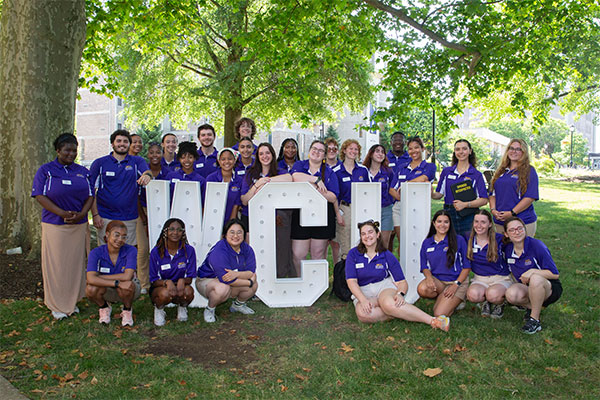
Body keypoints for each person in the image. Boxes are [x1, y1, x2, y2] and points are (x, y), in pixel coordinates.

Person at [31, 133, 93, 320]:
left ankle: (71, 302)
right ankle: (56, 304)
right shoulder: (46, 171)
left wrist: (82, 214)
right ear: (58, 150)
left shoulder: (83, 171)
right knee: (56, 265)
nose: (71, 153)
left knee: (74, 265)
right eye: (67, 150)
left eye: (74, 150)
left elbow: (91, 195)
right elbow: (39, 195)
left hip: (78, 225)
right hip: (55, 224)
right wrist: (61, 213)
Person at [346, 220, 450, 330]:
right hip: (363, 290)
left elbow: (401, 282)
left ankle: (434, 321)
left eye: (370, 232)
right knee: (363, 314)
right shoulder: (353, 254)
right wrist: (363, 300)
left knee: (389, 304)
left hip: (383, 288)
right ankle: (398, 312)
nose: (367, 236)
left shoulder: (387, 255)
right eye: (363, 234)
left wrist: (400, 294)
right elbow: (351, 281)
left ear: (377, 234)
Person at [89, 129, 153, 246]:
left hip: (129, 217)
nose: (122, 144)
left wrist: (147, 176)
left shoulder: (137, 161)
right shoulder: (100, 163)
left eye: (125, 141)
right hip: (105, 217)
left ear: (129, 144)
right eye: (118, 141)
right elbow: (91, 191)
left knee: (127, 254)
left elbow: (147, 172)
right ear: (112, 144)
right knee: (106, 254)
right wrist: (95, 215)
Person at [503, 217, 562, 334]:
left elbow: (554, 274)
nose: (517, 232)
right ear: (506, 234)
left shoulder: (537, 246)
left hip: (548, 287)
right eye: (512, 230)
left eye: (520, 228)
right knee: (511, 294)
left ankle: (535, 320)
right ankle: (532, 307)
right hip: (527, 287)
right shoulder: (508, 249)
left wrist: (533, 271)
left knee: (535, 278)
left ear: (525, 230)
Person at [291, 140, 339, 276]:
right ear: (309, 150)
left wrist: (314, 189)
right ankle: (301, 281)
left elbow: (333, 197)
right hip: (300, 214)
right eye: (314, 148)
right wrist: (316, 180)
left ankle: (315, 283)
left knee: (317, 253)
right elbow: (295, 177)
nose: (316, 152)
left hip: (322, 215)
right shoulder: (300, 165)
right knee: (298, 253)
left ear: (324, 155)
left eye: (320, 150)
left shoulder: (329, 172)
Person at [196, 219, 258, 323]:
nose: (236, 236)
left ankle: (238, 305)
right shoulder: (219, 251)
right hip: (207, 281)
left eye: (239, 232)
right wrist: (249, 282)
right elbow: (226, 280)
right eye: (232, 232)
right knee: (222, 288)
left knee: (254, 286)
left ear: (244, 234)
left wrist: (236, 274)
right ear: (225, 234)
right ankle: (209, 309)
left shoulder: (247, 249)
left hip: (231, 280)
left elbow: (251, 271)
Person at [86, 221, 141, 326]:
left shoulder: (131, 250)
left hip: (128, 287)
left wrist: (100, 277)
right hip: (109, 287)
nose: (120, 239)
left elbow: (127, 276)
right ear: (107, 234)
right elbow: (90, 279)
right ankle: (104, 307)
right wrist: (116, 283)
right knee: (90, 289)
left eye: (124, 236)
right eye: (116, 235)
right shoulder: (96, 252)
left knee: (128, 285)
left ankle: (127, 310)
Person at [417, 210, 471, 317]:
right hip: (439, 282)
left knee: (439, 313)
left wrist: (456, 285)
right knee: (422, 289)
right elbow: (424, 265)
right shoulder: (427, 242)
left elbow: (467, 266)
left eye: (446, 222)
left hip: (457, 281)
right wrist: (428, 278)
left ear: (450, 224)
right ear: (434, 223)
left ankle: (457, 299)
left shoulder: (458, 240)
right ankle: (445, 298)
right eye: (439, 221)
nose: (442, 225)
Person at [432, 139, 489, 236]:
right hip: (449, 214)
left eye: (464, 149)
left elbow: (484, 200)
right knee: (451, 244)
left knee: (468, 244)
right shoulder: (446, 172)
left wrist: (465, 204)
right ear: (454, 152)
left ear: (470, 151)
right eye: (457, 149)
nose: (461, 152)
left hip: (468, 215)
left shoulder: (476, 175)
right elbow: (439, 195)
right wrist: (431, 193)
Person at [391, 137, 436, 258]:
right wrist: (403, 198)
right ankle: (404, 271)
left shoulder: (429, 166)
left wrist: (405, 186)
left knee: (419, 240)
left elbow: (424, 178)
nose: (413, 151)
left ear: (422, 149)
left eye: (416, 147)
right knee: (403, 242)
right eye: (410, 148)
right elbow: (392, 189)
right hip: (400, 208)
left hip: (419, 208)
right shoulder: (402, 167)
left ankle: (419, 271)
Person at [465, 210, 512, 318]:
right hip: (480, 279)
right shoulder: (468, 238)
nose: (479, 225)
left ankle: (500, 302)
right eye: (476, 222)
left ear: (490, 224)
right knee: (472, 295)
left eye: (483, 222)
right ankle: (484, 302)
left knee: (493, 295)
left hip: (500, 278)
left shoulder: (500, 239)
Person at [149, 218, 196, 326]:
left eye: (179, 230)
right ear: (165, 232)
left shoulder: (189, 250)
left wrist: (181, 281)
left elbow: (190, 275)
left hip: (179, 289)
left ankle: (182, 308)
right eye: (172, 229)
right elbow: (153, 280)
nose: (175, 233)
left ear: (183, 233)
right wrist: (167, 282)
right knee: (164, 294)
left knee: (188, 292)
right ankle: (159, 309)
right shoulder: (156, 252)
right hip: (160, 288)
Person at [240, 143, 292, 240]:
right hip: (250, 215)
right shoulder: (250, 173)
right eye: (261, 154)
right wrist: (257, 184)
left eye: (267, 153)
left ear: (272, 155)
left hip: (272, 216)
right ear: (257, 156)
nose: (265, 156)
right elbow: (244, 200)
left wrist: (266, 181)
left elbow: (289, 178)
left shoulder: (279, 172)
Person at [489, 138, 539, 236]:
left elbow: (530, 197)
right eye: (511, 148)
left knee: (521, 250)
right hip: (500, 222)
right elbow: (492, 193)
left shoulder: (529, 171)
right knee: (502, 250)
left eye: (518, 149)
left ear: (524, 152)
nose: (514, 151)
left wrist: (512, 213)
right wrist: (493, 210)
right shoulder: (501, 171)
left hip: (522, 221)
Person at [137, 142, 169, 293]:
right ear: (147, 154)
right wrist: (144, 218)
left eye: (158, 152)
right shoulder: (142, 172)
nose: (155, 155)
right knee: (143, 249)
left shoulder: (168, 171)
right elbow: (136, 196)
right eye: (152, 152)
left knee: (162, 247)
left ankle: (162, 279)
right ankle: (144, 283)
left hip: (163, 211)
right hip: (144, 211)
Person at [332, 139, 368, 260]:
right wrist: (338, 214)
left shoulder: (363, 170)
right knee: (345, 240)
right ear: (344, 150)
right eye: (350, 148)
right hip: (345, 208)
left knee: (362, 238)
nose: (353, 151)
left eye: (356, 149)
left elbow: (369, 191)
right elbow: (335, 196)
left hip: (361, 208)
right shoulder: (336, 172)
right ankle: (345, 270)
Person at [362, 144, 400, 249]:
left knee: (384, 242)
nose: (380, 154)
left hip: (385, 210)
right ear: (371, 154)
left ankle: (383, 263)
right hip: (367, 210)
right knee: (368, 241)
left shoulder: (388, 172)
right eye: (377, 151)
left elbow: (393, 188)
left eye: (382, 152)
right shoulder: (363, 171)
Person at [206, 148, 243, 225]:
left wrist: (229, 226)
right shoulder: (211, 178)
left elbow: (236, 205)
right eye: (223, 159)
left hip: (231, 220)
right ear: (219, 161)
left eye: (230, 159)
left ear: (235, 160)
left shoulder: (239, 180)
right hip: (212, 221)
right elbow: (207, 203)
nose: (226, 162)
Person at [324, 137, 341, 263]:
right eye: (328, 148)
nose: (331, 151)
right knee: (322, 244)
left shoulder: (343, 167)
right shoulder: (320, 166)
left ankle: (337, 273)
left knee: (336, 244)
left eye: (334, 148)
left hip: (339, 208)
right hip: (323, 209)